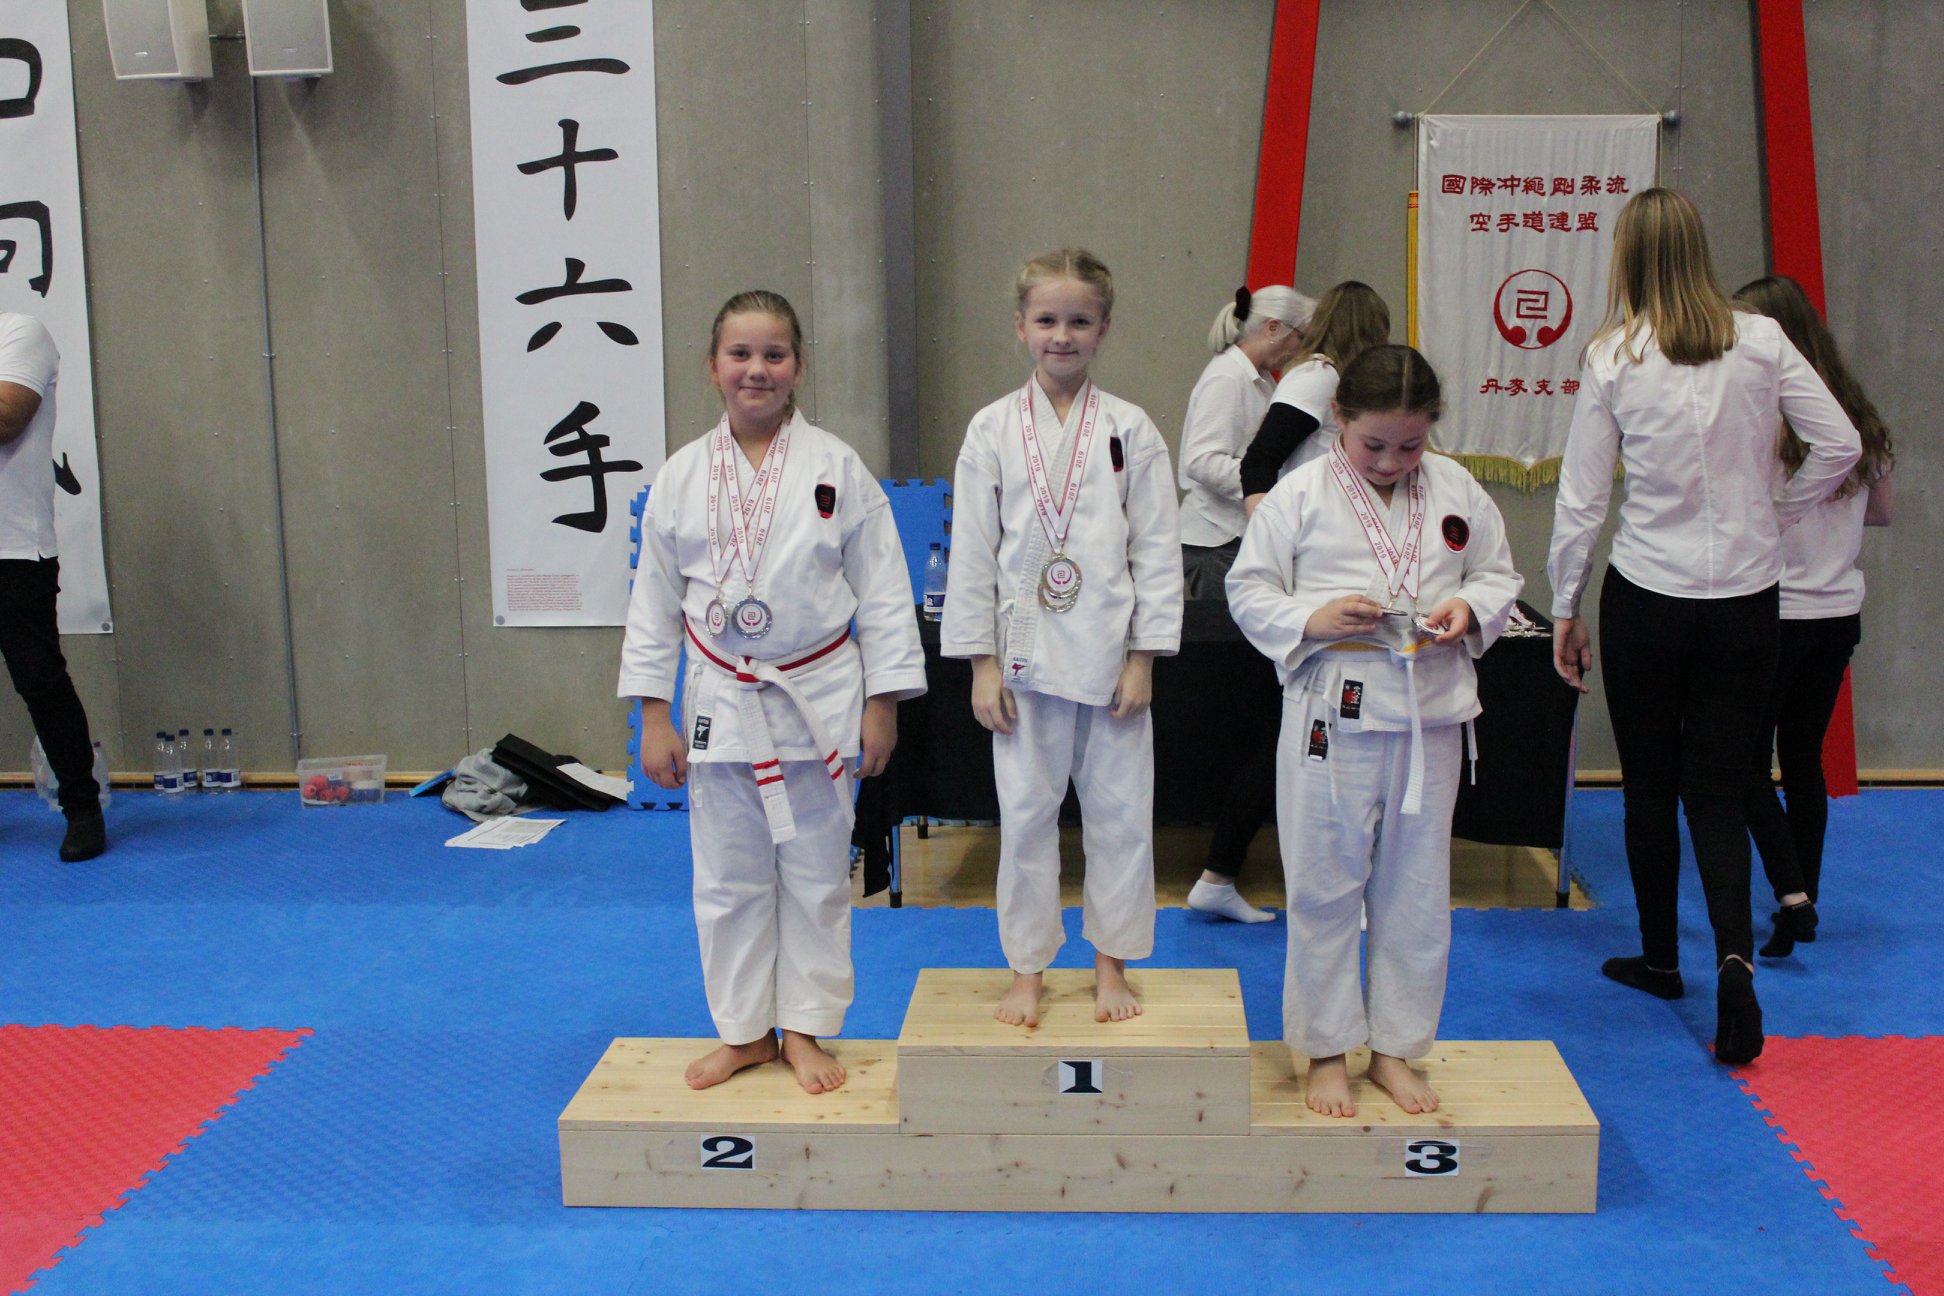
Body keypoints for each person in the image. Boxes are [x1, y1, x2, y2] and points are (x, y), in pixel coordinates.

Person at [1547, 189, 1860, 1066]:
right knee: (1719, 789)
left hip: (1648, 594)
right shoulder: (1760, 340)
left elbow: (1582, 499)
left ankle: (1659, 960)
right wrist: (1775, 511)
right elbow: (1839, 445)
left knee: (1649, 784)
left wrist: (1565, 604)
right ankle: (1734, 961)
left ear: (1627, 258)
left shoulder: (1613, 354)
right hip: (1746, 601)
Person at [619, 290, 926, 1094]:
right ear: (712, 366)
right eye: (741, 354)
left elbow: (884, 591)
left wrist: (883, 702)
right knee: (727, 880)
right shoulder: (682, 475)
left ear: (799, 366)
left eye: (775, 355)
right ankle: (746, 1032)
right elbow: (653, 601)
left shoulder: (837, 468)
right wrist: (652, 713)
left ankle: (808, 1030)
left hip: (817, 697)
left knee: (818, 875)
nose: (757, 370)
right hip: (721, 698)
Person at [1228, 344, 1521, 1117]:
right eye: (1374, 444)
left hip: (1431, 714)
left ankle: (1395, 1049)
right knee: (1325, 884)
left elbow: (1498, 574)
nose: (1392, 462)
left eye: (1411, 445)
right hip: (1334, 712)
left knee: (1417, 892)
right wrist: (1312, 618)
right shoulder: (1298, 495)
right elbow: (1248, 589)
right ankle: (1326, 1050)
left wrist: (1470, 609)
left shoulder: (1456, 488)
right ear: (1338, 419)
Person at [941, 248, 1184, 1027]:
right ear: (1020, 326)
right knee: (1025, 819)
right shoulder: (990, 429)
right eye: (1046, 319)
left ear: (1104, 328)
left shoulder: (1130, 428)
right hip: (1022, 658)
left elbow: (1157, 550)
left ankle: (1111, 965)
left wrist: (1145, 658)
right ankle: (1028, 970)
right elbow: (973, 553)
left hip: (1111, 659)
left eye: (1079, 321)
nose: (1062, 335)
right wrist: (980, 665)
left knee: (1120, 817)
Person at [1732, 275, 1895, 958]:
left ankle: (1791, 891)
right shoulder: (1858, 418)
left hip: (1775, 610)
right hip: (1836, 611)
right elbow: (1883, 512)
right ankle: (1806, 898)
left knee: (1742, 762)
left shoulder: (1765, 419)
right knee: (1802, 758)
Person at [1176, 284, 1314, 924]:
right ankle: (1214, 841)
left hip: (1237, 537)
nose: (1299, 351)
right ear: (1276, 328)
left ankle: (1228, 847)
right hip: (1216, 546)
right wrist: (1272, 487)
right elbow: (1201, 462)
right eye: (1300, 338)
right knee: (1232, 693)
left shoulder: (1256, 380)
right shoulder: (1228, 379)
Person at [0, 311, 105, 863]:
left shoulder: (19, 333)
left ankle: (82, 808)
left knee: (40, 682)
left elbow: (7, 418)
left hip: (14, 549)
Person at [1239, 281, 1392, 515]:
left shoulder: (1342, 380)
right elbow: (1259, 461)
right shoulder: (1318, 376)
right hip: (1302, 518)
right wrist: (1267, 529)